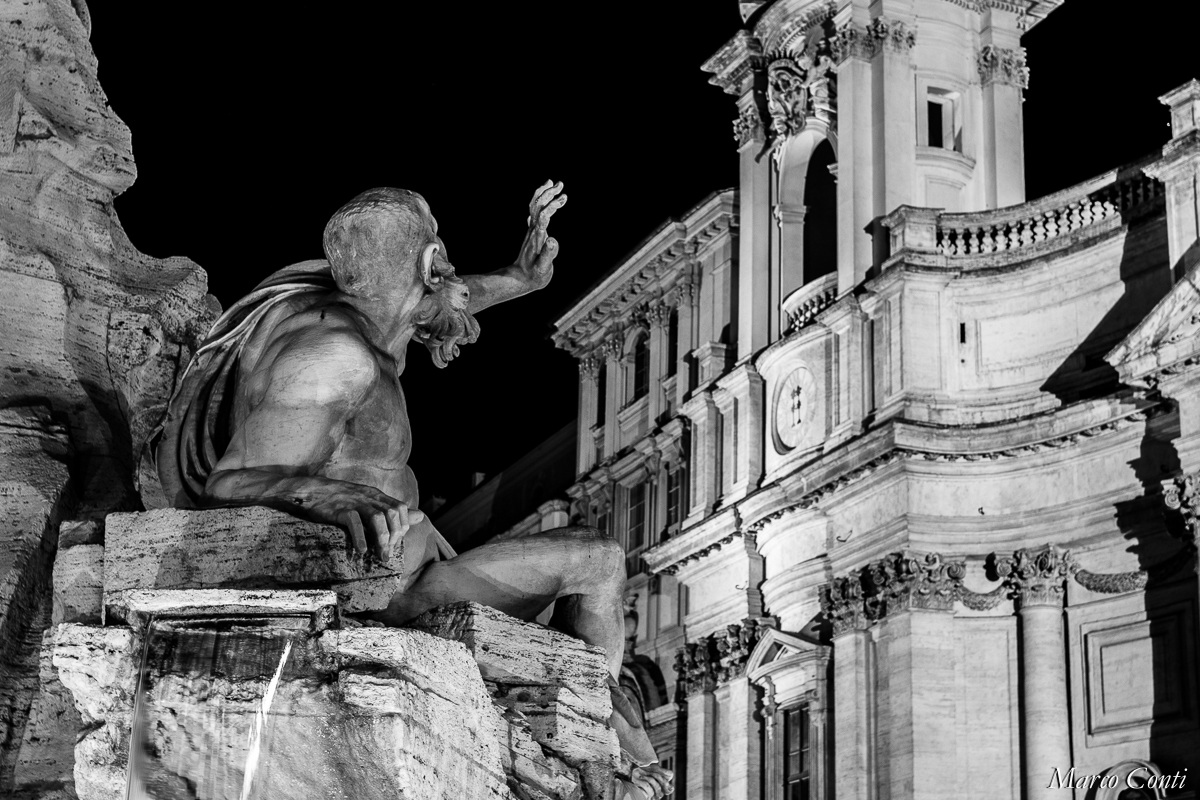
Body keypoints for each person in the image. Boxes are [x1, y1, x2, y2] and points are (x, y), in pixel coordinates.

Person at [156, 182, 672, 799]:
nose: (452, 275)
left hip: (416, 565)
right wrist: (326, 496)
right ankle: (598, 742)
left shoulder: (365, 323)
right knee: (598, 559)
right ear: (427, 263)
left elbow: (449, 298)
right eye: (441, 254)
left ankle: (603, 725)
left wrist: (518, 279)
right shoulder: (335, 356)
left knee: (599, 633)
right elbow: (230, 482)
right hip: (393, 592)